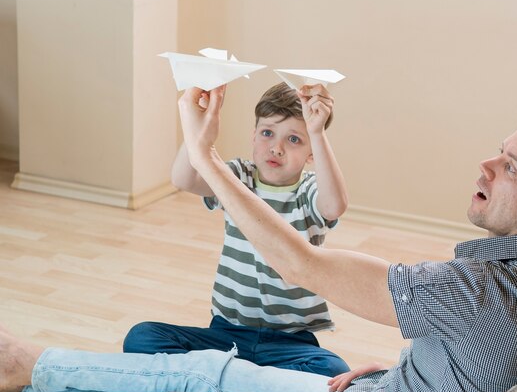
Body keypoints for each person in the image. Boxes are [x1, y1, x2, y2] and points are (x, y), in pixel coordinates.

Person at [1, 85, 517, 392]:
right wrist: (414, 367)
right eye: (499, 151)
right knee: (204, 370)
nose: (484, 165)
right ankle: (30, 362)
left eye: (509, 167)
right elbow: (501, 364)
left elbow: (299, 260)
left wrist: (204, 151)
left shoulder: (479, 289)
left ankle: (26, 375)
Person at [122, 82, 350, 377]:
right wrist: (201, 130)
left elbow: (334, 206)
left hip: (289, 341)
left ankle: (223, 379)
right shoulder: (237, 176)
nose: (276, 148)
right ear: (253, 135)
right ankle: (245, 382)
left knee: (332, 370)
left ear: (311, 154)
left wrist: (317, 131)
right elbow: (183, 179)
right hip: (226, 334)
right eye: (267, 133)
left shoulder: (309, 191)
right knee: (142, 337)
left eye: (294, 139)